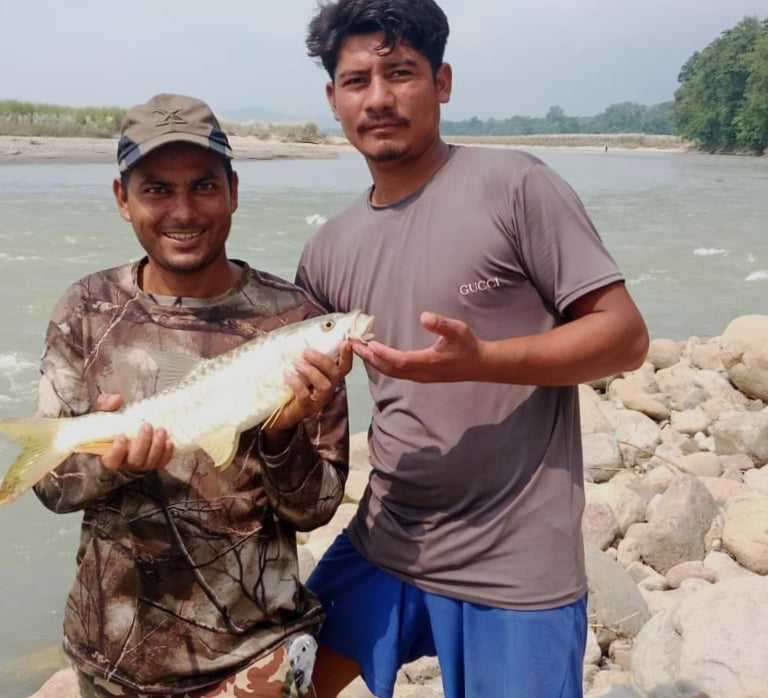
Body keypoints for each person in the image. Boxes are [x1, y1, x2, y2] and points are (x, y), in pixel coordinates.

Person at [296, 2, 650, 697]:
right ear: (332, 98)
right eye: (358, 79)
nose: (380, 98)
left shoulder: (514, 186)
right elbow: (305, 397)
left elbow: (624, 336)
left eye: (401, 73)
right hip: (387, 538)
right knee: (283, 682)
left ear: (443, 82)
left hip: (515, 562)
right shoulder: (328, 249)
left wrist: (485, 360)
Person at [33, 93, 352, 698]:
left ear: (233, 190)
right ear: (122, 199)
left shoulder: (296, 324)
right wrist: (105, 463)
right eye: (156, 189)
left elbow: (315, 510)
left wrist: (282, 434)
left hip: (256, 655)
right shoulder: (86, 310)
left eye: (204, 186)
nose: (183, 210)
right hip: (112, 656)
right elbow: (53, 486)